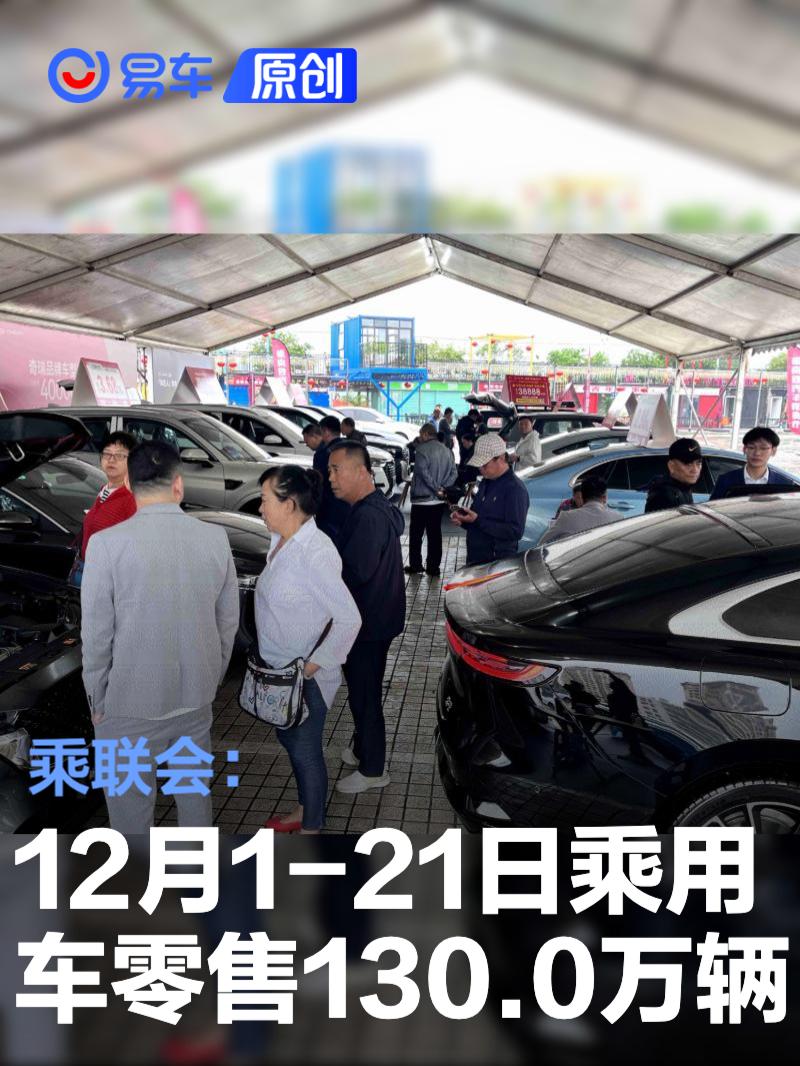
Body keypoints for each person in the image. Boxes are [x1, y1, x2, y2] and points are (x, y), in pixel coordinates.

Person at [80, 441, 239, 833]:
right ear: (178, 484)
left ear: (130, 485)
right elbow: (227, 622)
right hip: (194, 697)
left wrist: (96, 697)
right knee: (193, 795)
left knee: (130, 812)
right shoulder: (215, 538)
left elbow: (96, 634)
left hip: (127, 702)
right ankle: (196, 869)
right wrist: (213, 677)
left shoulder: (106, 544)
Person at [254, 465, 361, 833]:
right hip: (280, 674)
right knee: (290, 739)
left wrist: (310, 668)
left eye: (265, 500)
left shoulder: (315, 552)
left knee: (305, 751)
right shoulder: (281, 541)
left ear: (289, 504)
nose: (260, 508)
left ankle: (312, 827)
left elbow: (349, 619)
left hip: (305, 679)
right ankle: (304, 808)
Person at [328, 440, 405, 794]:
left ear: (361, 472)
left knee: (365, 694)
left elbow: (355, 572)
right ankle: (362, 748)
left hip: (368, 622)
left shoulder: (368, 516)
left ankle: (373, 768)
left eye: (336, 470)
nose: (331, 478)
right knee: (362, 688)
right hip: (375, 616)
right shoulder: (372, 506)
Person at [68, 431, 138, 587]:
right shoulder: (104, 491)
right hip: (88, 572)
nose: (111, 459)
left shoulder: (132, 499)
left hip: (109, 581)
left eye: (119, 455)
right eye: (107, 454)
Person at [450, 432, 529, 566]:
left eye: (484, 464)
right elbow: (479, 519)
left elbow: (515, 531)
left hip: (496, 563)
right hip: (477, 559)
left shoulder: (515, 489)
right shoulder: (486, 482)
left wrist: (477, 520)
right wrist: (464, 520)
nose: (480, 469)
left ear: (501, 458)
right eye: (478, 464)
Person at [405, 422, 457, 577]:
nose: (420, 437)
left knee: (416, 534)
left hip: (422, 500)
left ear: (426, 434)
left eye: (421, 434)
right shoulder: (447, 451)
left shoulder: (421, 450)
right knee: (435, 534)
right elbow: (454, 473)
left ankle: (416, 565)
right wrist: (442, 488)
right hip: (438, 501)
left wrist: (436, 488)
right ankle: (433, 568)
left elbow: (422, 473)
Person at [709, 426, 793, 499]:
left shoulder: (784, 484)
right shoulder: (725, 480)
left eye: (763, 448)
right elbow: (713, 508)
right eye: (752, 447)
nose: (757, 453)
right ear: (744, 449)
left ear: (773, 451)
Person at [538, 476, 623, 545]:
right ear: (604, 498)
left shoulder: (567, 517)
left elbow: (542, 543)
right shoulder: (618, 518)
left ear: (582, 497)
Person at [312, 414, 350, 540]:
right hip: (350, 506)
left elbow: (318, 482)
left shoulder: (322, 454)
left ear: (326, 432)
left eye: (321, 431)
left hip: (329, 509)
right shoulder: (351, 448)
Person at [644, 438, 703, 513]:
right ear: (671, 466)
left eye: (698, 463)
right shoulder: (664, 495)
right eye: (688, 464)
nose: (695, 470)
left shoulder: (684, 487)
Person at [455, 407, 483, 481]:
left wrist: (461, 442)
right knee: (466, 459)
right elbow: (470, 434)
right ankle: (464, 478)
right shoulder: (468, 422)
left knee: (463, 459)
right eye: (476, 416)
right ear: (473, 415)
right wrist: (475, 436)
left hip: (462, 443)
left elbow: (458, 432)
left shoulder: (462, 420)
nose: (476, 419)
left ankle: (461, 475)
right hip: (466, 444)